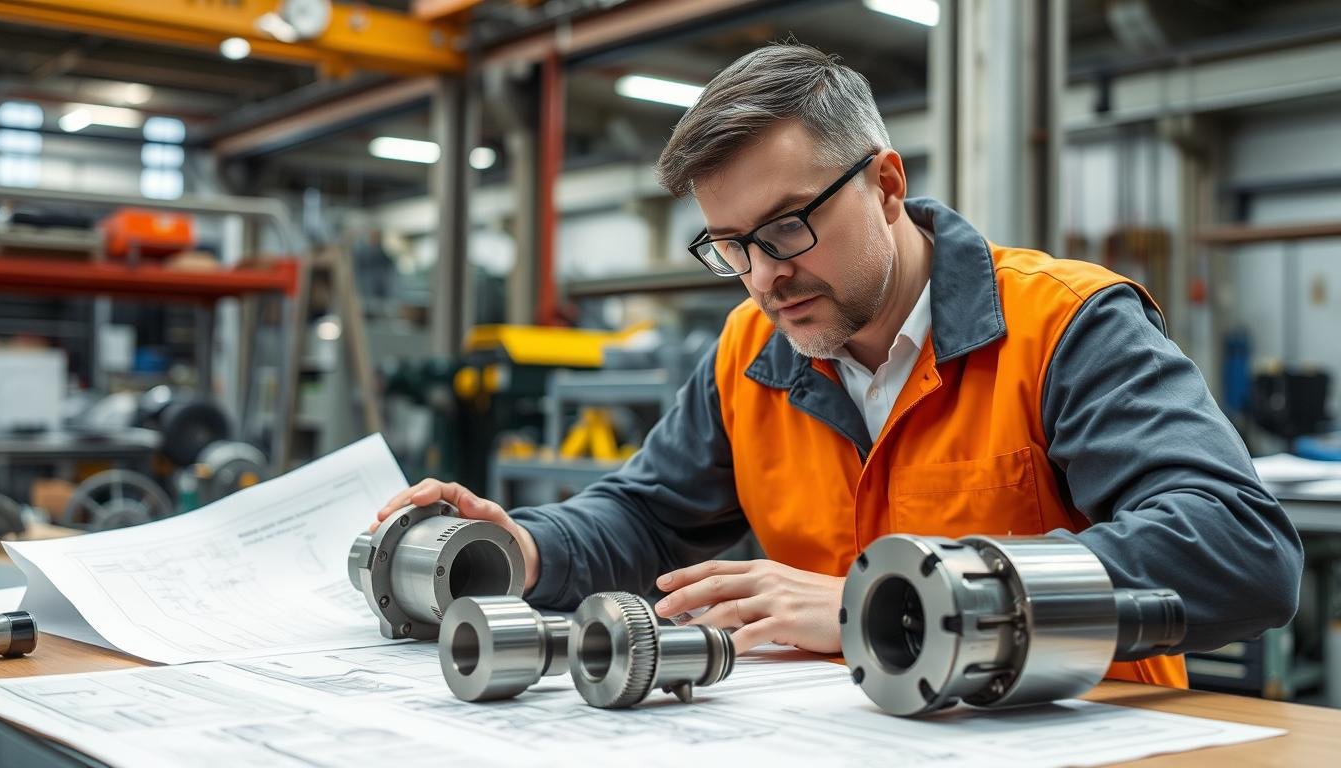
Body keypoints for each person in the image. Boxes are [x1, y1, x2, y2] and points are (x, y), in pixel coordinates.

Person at [373, 43, 1301, 687]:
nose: (767, 276)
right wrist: (528, 546)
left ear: (886, 185)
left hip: (1076, 730)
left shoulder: (1064, 326)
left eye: (787, 227)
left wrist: (884, 599)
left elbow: (1239, 552)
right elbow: (650, 515)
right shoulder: (750, 353)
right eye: (731, 245)